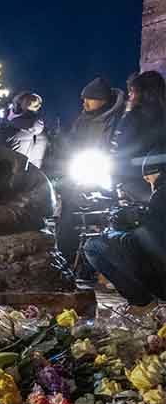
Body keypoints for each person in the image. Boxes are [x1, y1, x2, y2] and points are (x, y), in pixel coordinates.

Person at [55, 78, 128, 272]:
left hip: (102, 177)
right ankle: (65, 260)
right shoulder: (82, 119)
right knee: (69, 219)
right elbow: (70, 143)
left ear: (103, 100)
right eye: (83, 99)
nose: (85, 103)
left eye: (90, 99)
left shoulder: (117, 119)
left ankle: (92, 267)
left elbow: (118, 145)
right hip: (78, 175)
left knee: (98, 222)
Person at [84, 156, 166, 311]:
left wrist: (120, 226)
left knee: (93, 246)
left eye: (149, 179)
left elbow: (151, 243)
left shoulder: (162, 194)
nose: (150, 184)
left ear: (159, 172)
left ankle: (142, 303)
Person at [114, 71, 166, 203]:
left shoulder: (132, 118)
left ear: (142, 92)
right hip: (157, 181)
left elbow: (121, 151)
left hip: (135, 183)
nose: (130, 96)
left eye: (132, 91)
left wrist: (118, 181)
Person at [0, 92, 49, 169]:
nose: (9, 109)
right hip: (21, 178)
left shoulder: (8, 130)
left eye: (12, 106)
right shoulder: (41, 135)